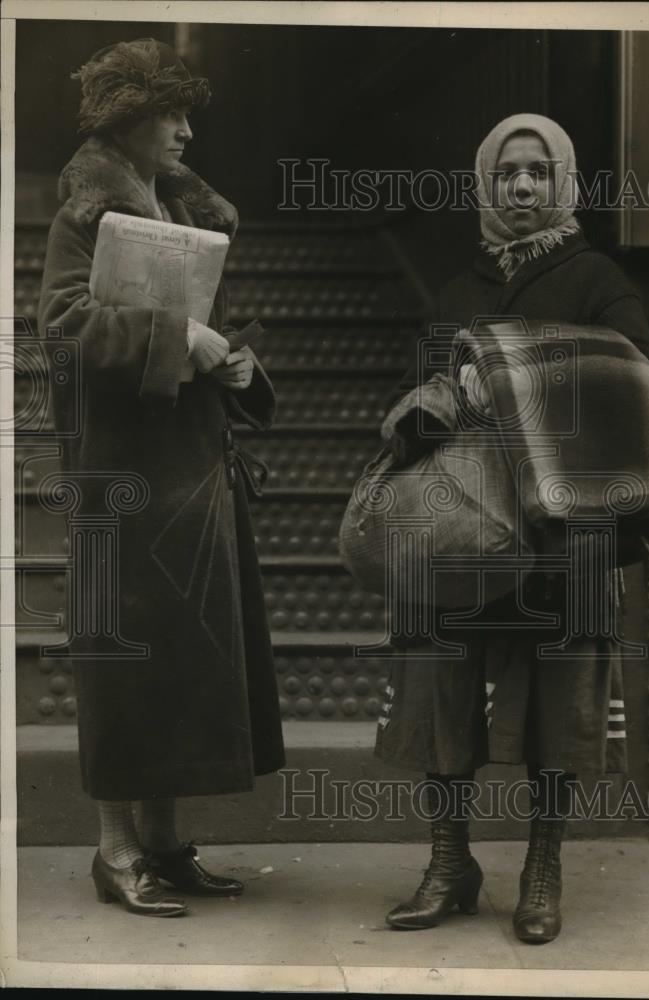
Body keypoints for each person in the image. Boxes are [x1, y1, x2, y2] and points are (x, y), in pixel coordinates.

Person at [376, 113, 649, 942]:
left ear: (563, 180)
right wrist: (440, 399)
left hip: (563, 531)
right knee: (445, 686)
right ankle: (449, 861)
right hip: (465, 526)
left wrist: (519, 377)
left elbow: (635, 378)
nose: (525, 187)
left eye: (540, 171)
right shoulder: (456, 291)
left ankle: (543, 867)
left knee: (558, 701)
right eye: (509, 174)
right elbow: (416, 399)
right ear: (487, 184)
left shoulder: (596, 281)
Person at [37, 38, 285, 917]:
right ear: (131, 121)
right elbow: (63, 326)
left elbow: (232, 325)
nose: (185, 131)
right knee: (124, 661)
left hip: (193, 475)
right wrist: (179, 339)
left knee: (181, 661)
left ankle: (167, 845)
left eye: (185, 115)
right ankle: (114, 852)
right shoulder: (84, 215)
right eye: (170, 116)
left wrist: (239, 365)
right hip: (120, 479)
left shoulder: (189, 212)